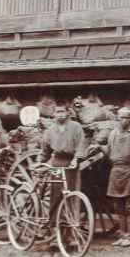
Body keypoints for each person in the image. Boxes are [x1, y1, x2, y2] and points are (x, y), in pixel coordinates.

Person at [97, 107, 130, 247]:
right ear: (118, 118)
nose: (124, 120)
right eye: (121, 118)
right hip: (115, 172)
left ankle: (129, 236)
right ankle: (122, 234)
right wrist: (99, 147)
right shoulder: (113, 133)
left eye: (127, 118)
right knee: (118, 207)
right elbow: (109, 153)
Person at [38, 100, 85, 240]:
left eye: (62, 111)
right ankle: (54, 231)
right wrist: (39, 163)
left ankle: (69, 232)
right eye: (57, 112)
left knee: (70, 196)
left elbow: (81, 145)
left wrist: (76, 159)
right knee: (55, 195)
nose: (59, 115)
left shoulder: (75, 127)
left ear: (68, 113)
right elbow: (45, 151)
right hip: (56, 163)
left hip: (70, 164)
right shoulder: (50, 130)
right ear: (53, 113)